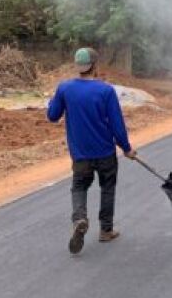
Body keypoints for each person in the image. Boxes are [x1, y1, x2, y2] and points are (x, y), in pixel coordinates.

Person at [47, 47, 136, 255]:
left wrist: (52, 101)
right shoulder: (106, 91)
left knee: (79, 187)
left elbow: (52, 116)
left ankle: (79, 218)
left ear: (78, 67)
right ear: (95, 66)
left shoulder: (65, 88)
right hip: (105, 152)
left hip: (81, 155)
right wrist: (127, 148)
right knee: (107, 188)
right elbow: (117, 124)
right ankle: (106, 230)